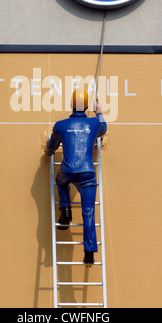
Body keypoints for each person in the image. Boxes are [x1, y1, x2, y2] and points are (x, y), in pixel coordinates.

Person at [44, 89, 107, 267]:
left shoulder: (61, 125)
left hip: (68, 170)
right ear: (87, 106)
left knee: (60, 181)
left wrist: (47, 152)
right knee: (89, 213)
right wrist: (99, 111)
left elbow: (52, 146)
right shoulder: (94, 124)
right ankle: (89, 255)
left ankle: (65, 210)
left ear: (71, 104)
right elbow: (104, 127)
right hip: (87, 173)